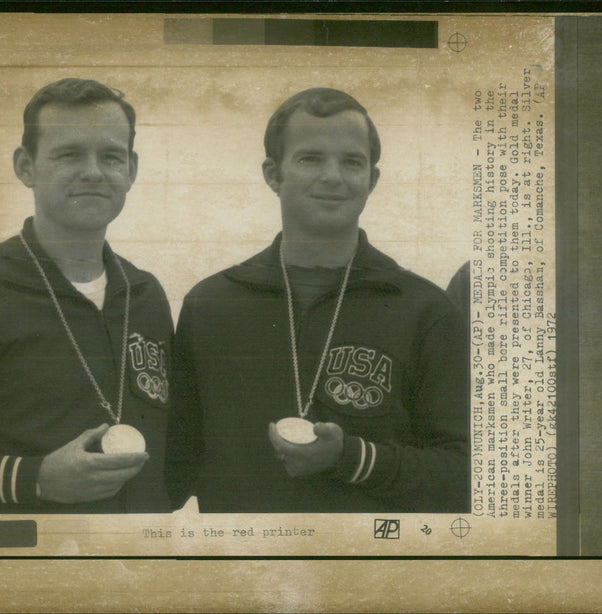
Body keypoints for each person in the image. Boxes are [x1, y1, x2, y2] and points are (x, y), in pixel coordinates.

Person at [165, 87, 469, 513]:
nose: (333, 176)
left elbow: (466, 475)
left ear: (373, 180)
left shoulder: (426, 310)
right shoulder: (210, 304)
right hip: (244, 568)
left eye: (352, 162)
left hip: (369, 568)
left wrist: (352, 458)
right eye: (310, 159)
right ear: (273, 174)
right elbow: (174, 466)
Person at [0, 78, 172, 513]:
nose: (93, 171)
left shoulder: (145, 293)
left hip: (141, 564)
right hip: (24, 566)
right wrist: (33, 479)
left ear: (131, 169)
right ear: (26, 166)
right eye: (69, 154)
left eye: (111, 156)